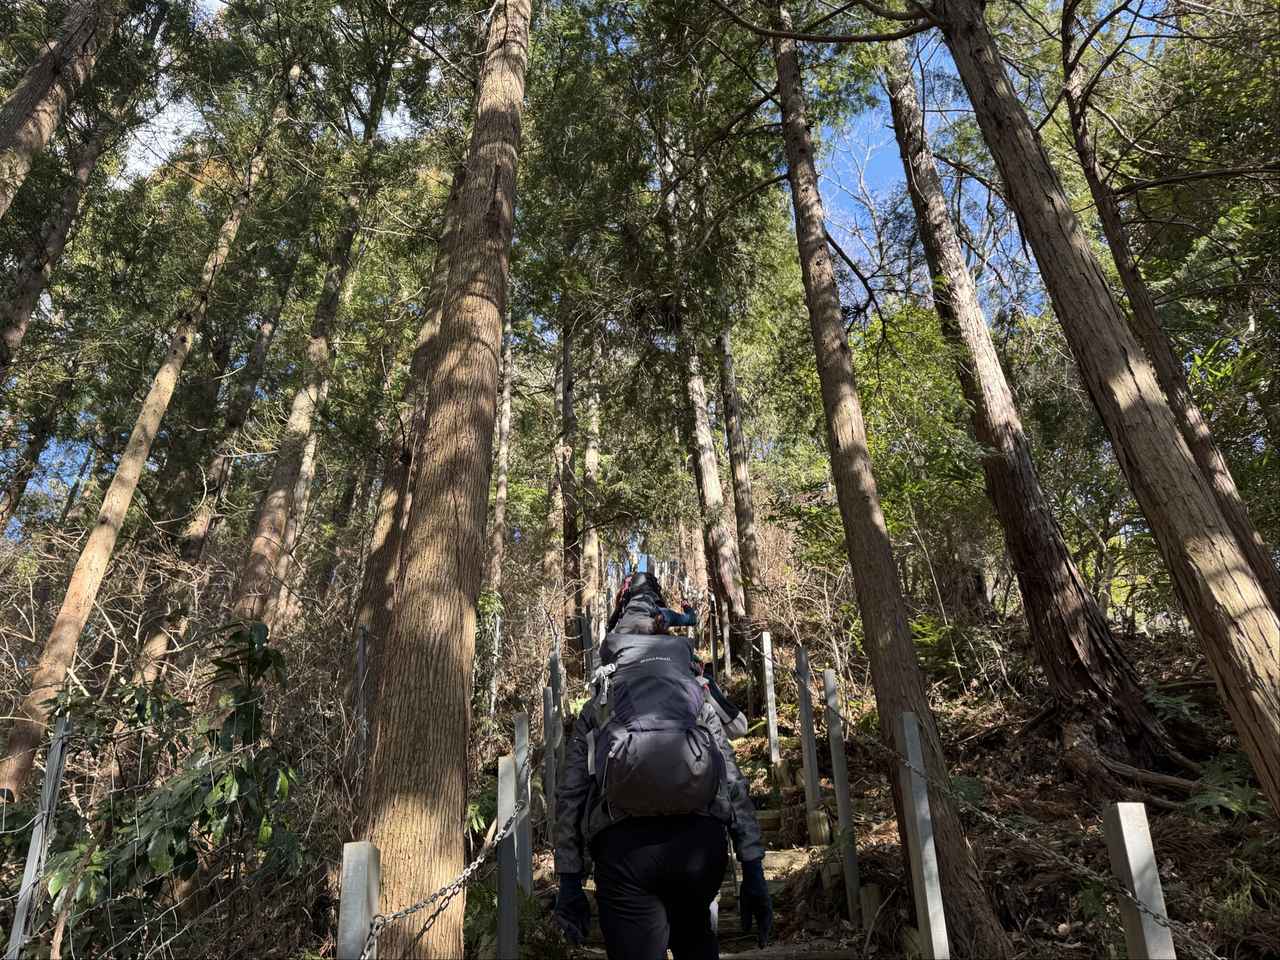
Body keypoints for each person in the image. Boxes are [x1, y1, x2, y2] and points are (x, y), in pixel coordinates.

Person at [554, 571, 773, 959]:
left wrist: (571, 881)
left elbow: (572, 792)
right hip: (700, 844)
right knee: (696, 938)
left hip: (625, 850)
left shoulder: (601, 702)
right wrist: (752, 867)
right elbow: (732, 780)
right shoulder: (695, 696)